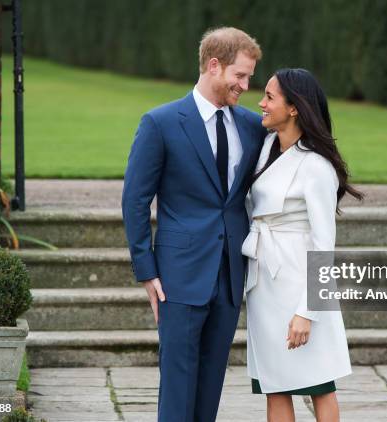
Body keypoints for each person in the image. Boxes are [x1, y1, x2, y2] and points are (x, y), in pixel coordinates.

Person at [121, 27, 265, 422]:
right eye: (240, 75)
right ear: (214, 66)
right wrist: (146, 270)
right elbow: (135, 200)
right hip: (178, 277)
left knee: (211, 384)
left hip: (230, 273)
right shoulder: (161, 122)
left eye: (250, 77)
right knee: (178, 384)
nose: (245, 85)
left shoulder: (252, 126)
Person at [242, 68, 363, 422]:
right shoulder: (266, 147)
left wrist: (307, 312)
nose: (261, 104)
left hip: (300, 284)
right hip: (263, 281)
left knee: (318, 383)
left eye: (269, 97)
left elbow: (324, 245)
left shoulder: (316, 166)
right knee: (274, 384)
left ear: (294, 108)